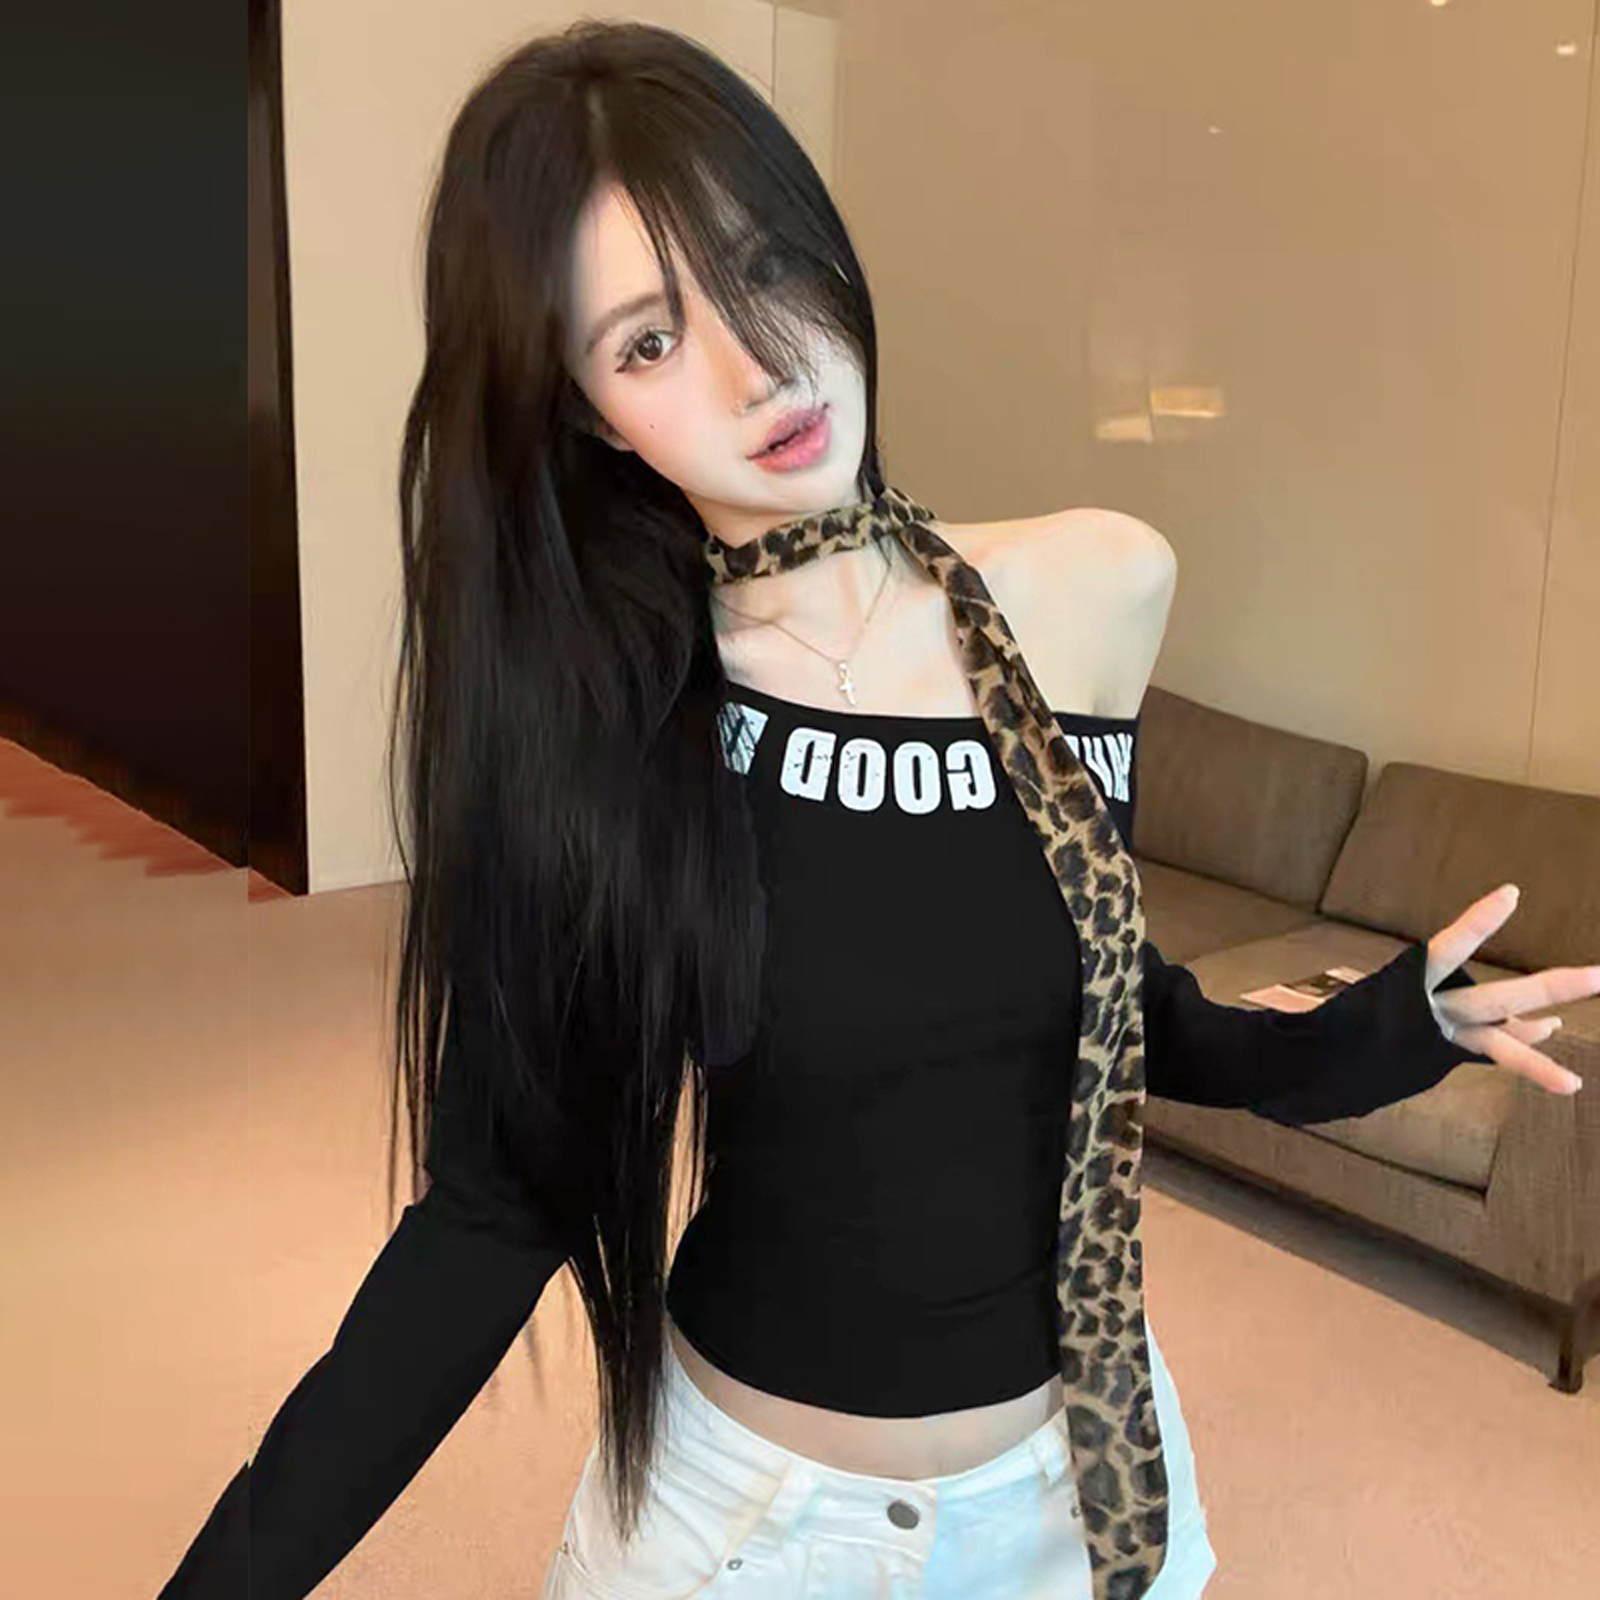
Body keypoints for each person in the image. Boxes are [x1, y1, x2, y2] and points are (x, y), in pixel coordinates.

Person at [160, 19, 1592, 1600]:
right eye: (649, 342)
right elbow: (494, 1215)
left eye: (762, 264)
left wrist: (1386, 1031)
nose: (756, 365)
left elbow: (1114, 1013)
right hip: (748, 1536)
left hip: (1080, 1511)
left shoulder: (1091, 592)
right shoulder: (609, 733)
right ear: (585, 414)